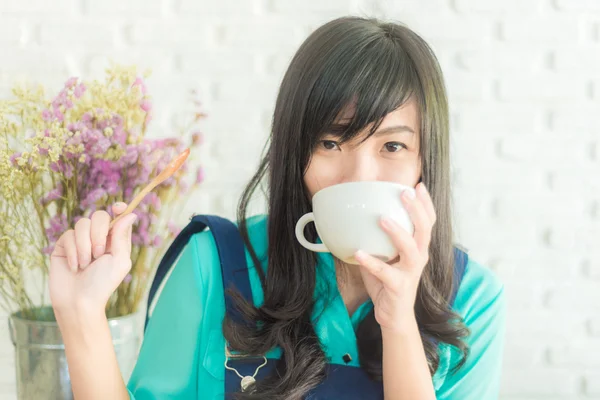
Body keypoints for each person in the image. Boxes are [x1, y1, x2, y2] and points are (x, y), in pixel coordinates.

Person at [49, 15, 506, 400]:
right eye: (330, 142)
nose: (359, 175)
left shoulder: (472, 300)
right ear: (295, 153)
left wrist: (399, 323)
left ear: (426, 163)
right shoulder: (213, 266)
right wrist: (81, 313)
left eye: (392, 145)